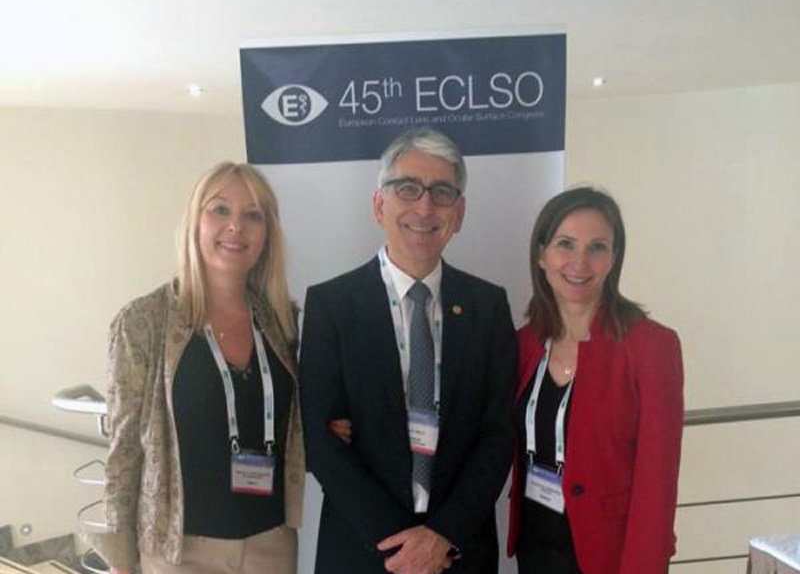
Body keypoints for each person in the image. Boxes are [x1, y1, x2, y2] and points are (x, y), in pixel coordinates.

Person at [300, 128, 516, 574]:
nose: (425, 207)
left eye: (442, 193)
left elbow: (498, 434)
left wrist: (443, 536)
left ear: (459, 214)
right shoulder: (331, 305)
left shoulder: (488, 307)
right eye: (408, 188)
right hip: (362, 551)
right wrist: (400, 544)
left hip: (458, 553)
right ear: (380, 205)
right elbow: (319, 440)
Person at [89, 162, 304, 574]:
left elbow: (295, 422)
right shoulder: (143, 322)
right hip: (180, 552)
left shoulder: (282, 321)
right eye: (220, 210)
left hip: (271, 545)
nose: (236, 226)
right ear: (195, 222)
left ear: (267, 233)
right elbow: (123, 448)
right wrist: (121, 559)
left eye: (253, 215)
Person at [506, 187, 684, 573]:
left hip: (609, 554)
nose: (580, 262)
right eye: (565, 244)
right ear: (541, 254)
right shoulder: (523, 344)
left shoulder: (651, 347)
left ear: (614, 258)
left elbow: (657, 482)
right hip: (536, 549)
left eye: (597, 247)